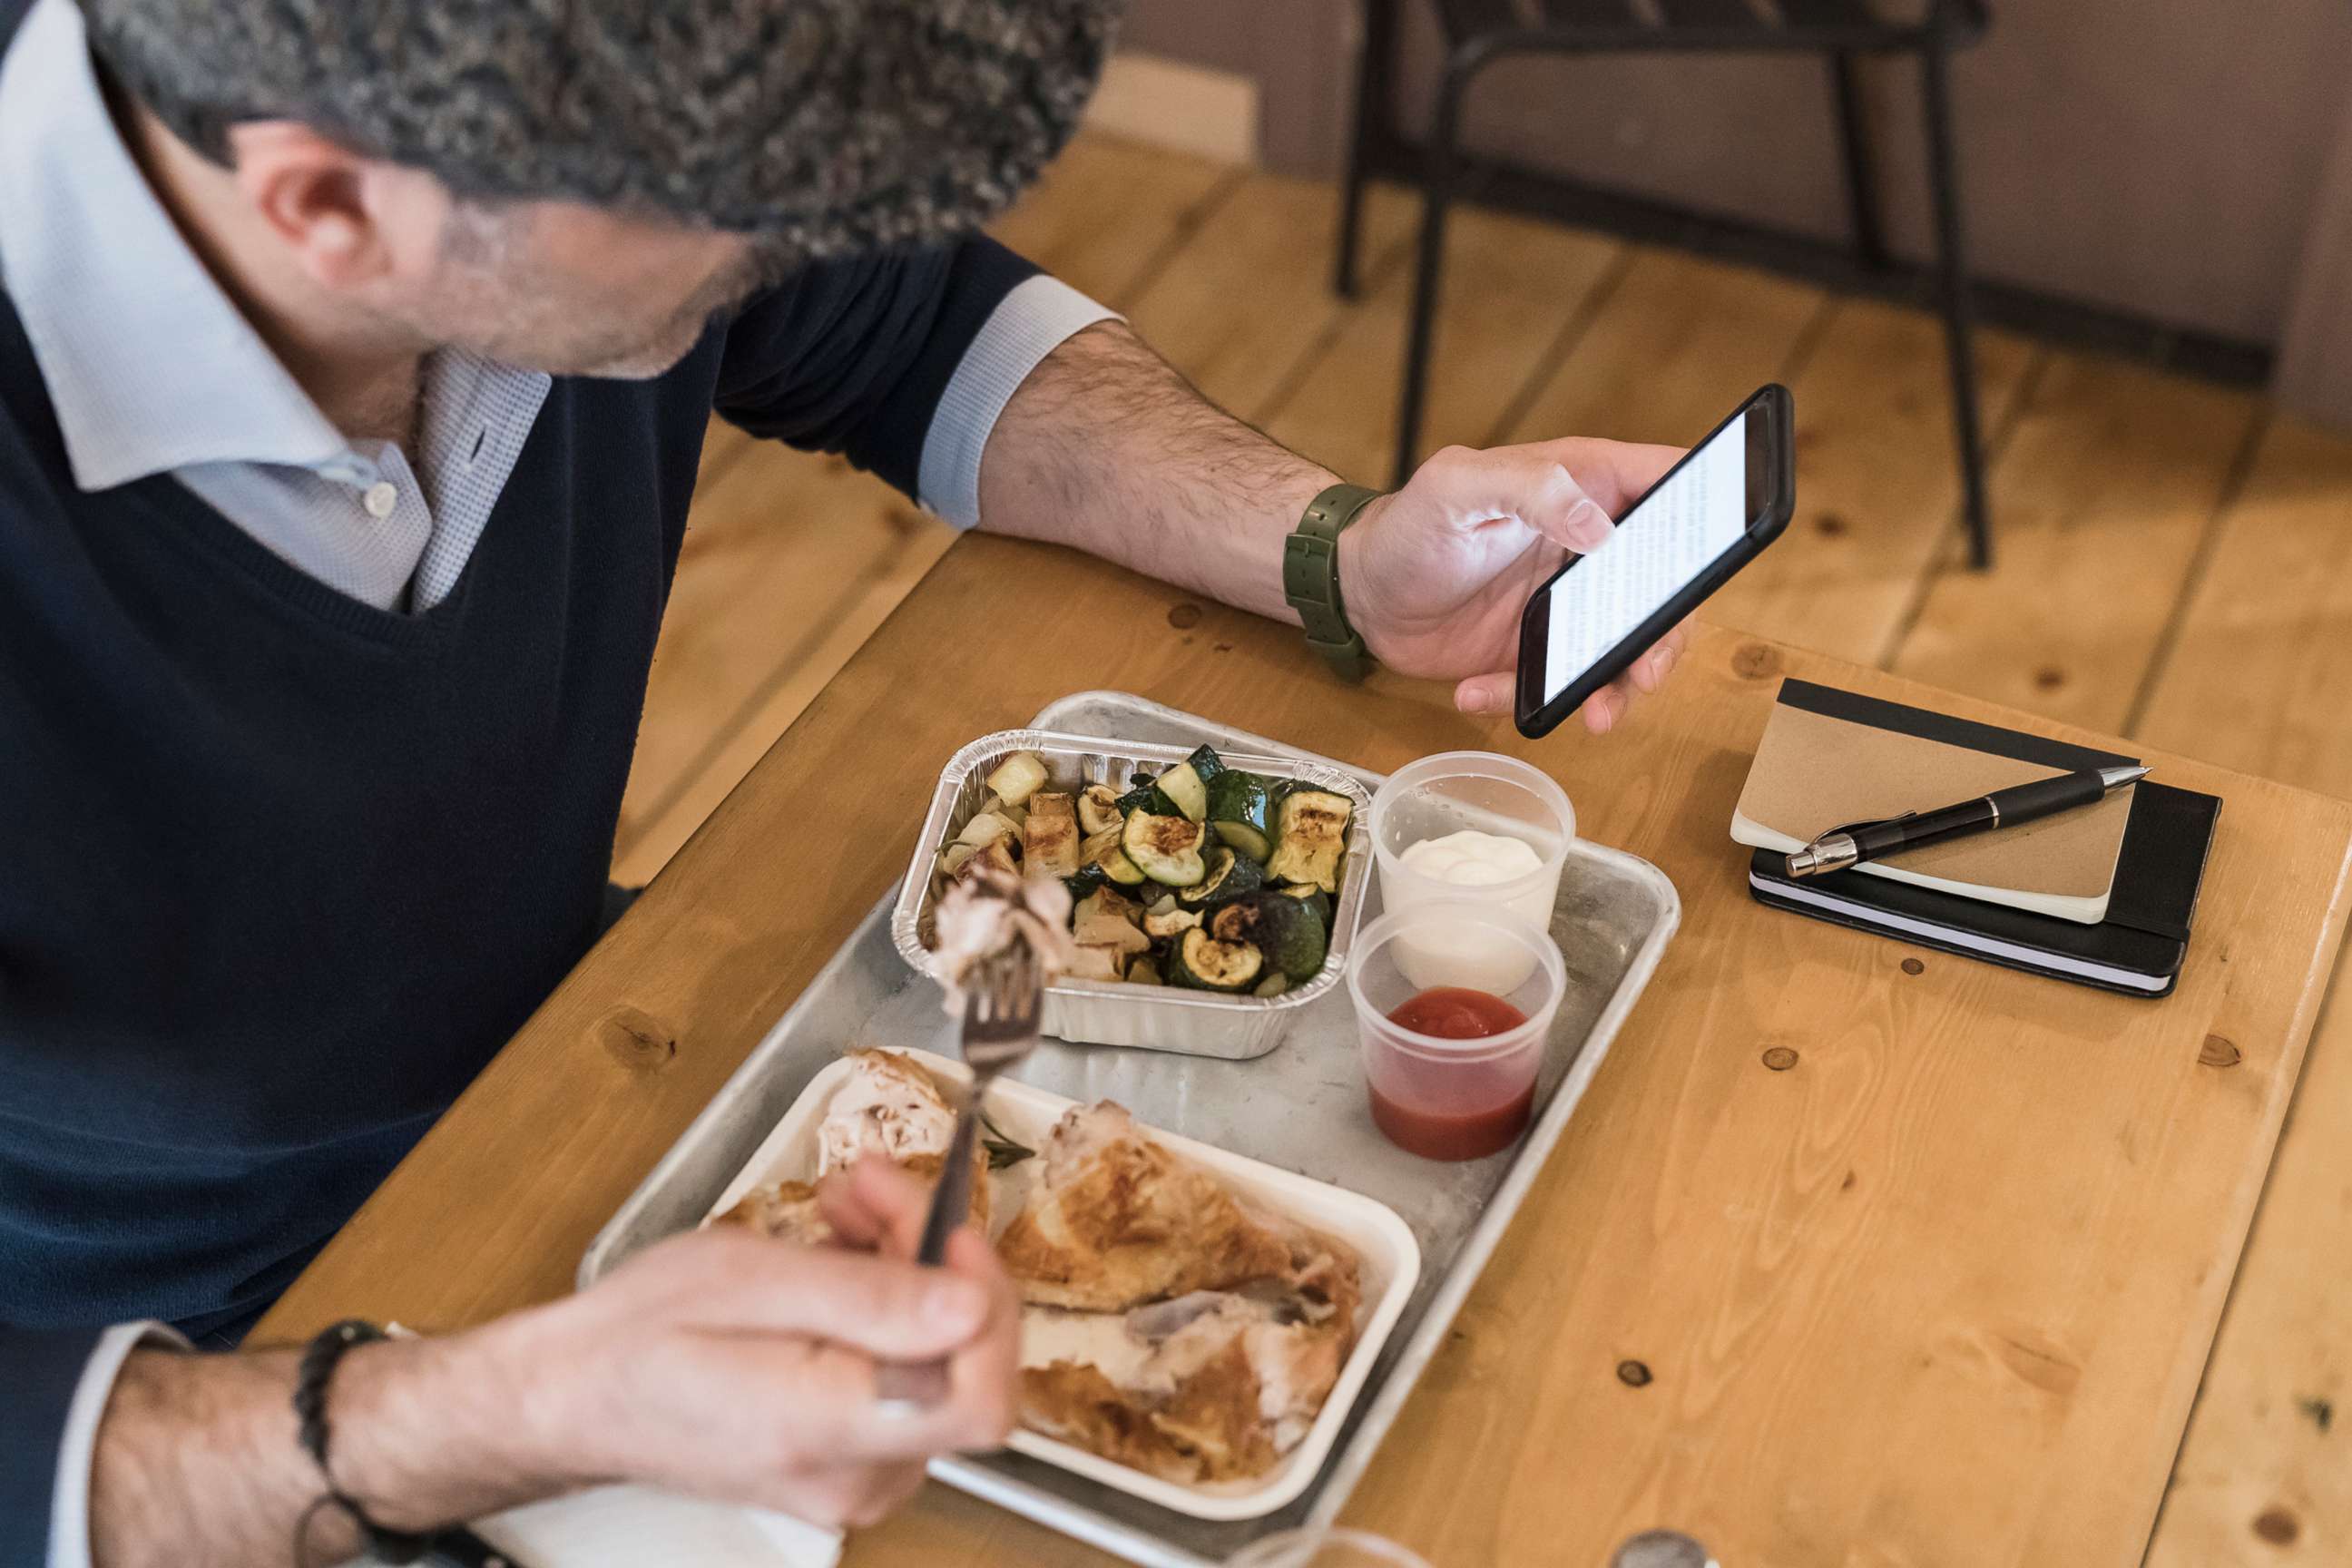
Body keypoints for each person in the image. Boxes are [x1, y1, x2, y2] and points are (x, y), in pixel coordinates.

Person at [0, 0, 1689, 1561]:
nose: (787, 252)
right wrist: (469, 1418)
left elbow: (904, 325)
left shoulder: (512, 143)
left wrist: (1334, 556)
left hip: (597, 1072)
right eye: (733, 237)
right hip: (174, 1386)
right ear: (327, 212)